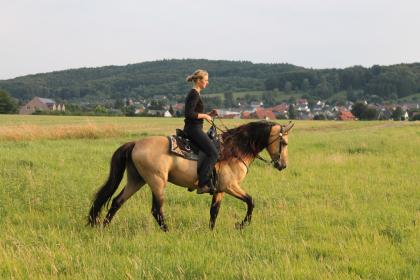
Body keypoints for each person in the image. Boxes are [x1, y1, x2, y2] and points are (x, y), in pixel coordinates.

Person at [183, 69, 218, 194]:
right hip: (193, 130)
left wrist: (209, 114)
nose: (207, 83)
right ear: (198, 80)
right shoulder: (194, 94)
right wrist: (205, 116)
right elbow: (189, 114)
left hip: (194, 128)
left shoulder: (195, 93)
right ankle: (202, 183)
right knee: (214, 153)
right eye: (206, 80)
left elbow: (194, 113)